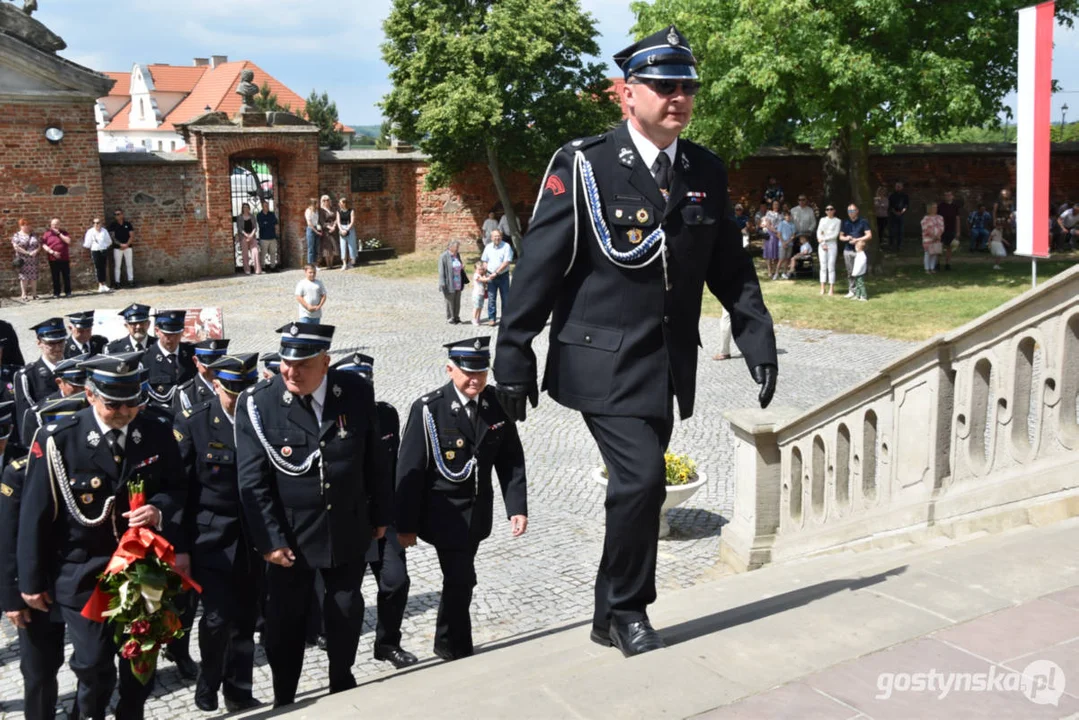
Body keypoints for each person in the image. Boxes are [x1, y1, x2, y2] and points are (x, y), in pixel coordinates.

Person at [492, 25, 777, 657]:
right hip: (601, 358)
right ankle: (627, 611)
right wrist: (512, 351)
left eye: (688, 86)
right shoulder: (585, 164)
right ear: (626, 93)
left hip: (666, 365)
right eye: (664, 85)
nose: (678, 96)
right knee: (643, 479)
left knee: (638, 486)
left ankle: (604, 612)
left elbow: (727, 262)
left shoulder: (703, 168)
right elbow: (539, 263)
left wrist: (757, 335)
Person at [17, 352, 189, 720]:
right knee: (93, 663)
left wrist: (158, 509)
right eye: (115, 403)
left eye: (133, 402)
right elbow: (34, 515)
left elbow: (177, 487)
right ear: (91, 394)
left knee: (141, 658)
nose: (126, 411)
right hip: (83, 570)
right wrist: (30, 582)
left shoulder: (155, 430)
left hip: (143, 567)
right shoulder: (58, 439)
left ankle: (131, 713)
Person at [235, 322, 392, 707]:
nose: (291, 371)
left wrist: (381, 514)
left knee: (345, 609)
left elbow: (375, 459)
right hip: (290, 538)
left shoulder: (354, 391)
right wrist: (270, 541)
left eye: (303, 363)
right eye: (287, 362)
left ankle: (342, 679)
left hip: (345, 526)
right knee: (285, 622)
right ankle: (284, 696)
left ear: (325, 362)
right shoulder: (259, 403)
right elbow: (252, 482)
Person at [397, 337, 527, 660]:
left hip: (477, 513)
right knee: (461, 577)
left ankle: (444, 638)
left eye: (482, 372)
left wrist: (517, 507)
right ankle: (458, 649)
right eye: (469, 372)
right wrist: (405, 525)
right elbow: (409, 471)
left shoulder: (495, 404)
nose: (476, 380)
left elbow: (510, 458)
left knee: (461, 579)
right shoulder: (429, 409)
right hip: (442, 515)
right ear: (450, 368)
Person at [173, 352, 262, 712]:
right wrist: (180, 548)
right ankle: (208, 681)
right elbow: (179, 492)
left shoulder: (261, 419)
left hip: (253, 537)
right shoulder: (194, 423)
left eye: (246, 390)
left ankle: (238, 691)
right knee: (216, 617)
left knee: (245, 618)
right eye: (231, 391)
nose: (239, 398)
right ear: (215, 385)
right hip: (210, 539)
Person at [329, 351, 418, 669]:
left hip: (384, 516)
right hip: (348, 520)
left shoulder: (386, 415)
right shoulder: (331, 420)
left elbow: (395, 467)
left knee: (396, 580)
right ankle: (340, 659)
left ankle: (387, 643)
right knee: (346, 595)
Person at [1, 396, 88, 720]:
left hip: (81, 580)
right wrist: (12, 599)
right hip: (36, 588)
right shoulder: (19, 473)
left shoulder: (93, 463)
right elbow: (9, 541)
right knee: (38, 671)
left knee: (91, 663)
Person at [13, 318, 67, 445]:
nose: (58, 348)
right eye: (51, 343)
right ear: (39, 342)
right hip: (45, 439)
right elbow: (25, 418)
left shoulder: (76, 368)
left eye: (61, 342)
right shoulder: (28, 376)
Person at [19, 355, 89, 446]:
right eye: (75, 385)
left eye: (84, 385)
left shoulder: (98, 404)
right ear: (60, 383)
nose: (81, 389)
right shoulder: (39, 413)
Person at [142, 310, 197, 415]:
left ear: (182, 332)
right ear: (157, 331)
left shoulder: (192, 353)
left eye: (176, 334)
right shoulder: (145, 359)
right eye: (166, 334)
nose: (171, 339)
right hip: (160, 417)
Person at [174, 339, 230, 413]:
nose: (213, 370)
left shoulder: (232, 386)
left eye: (218, 365)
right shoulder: (187, 393)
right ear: (196, 361)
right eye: (207, 366)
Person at [480, 229, 513, 325]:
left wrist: (496, 272)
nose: (497, 238)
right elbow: (485, 260)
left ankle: (505, 319)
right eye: (495, 236)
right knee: (491, 298)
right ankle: (492, 318)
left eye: (498, 236)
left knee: (506, 298)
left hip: (503, 276)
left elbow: (507, 262)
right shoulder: (488, 247)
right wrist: (485, 271)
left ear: (501, 237)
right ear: (491, 238)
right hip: (490, 276)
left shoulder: (506, 246)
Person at [840, 203, 872, 298]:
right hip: (848, 250)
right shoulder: (845, 222)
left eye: (853, 211)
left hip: (859, 250)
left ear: (857, 211)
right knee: (850, 272)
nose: (851, 213)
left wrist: (857, 240)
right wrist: (847, 238)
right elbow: (841, 237)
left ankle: (860, 292)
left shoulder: (863, 221)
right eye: (849, 211)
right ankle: (852, 290)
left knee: (859, 272)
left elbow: (869, 235)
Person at [40, 218, 73, 298]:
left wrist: (59, 234)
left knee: (66, 276)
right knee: (55, 276)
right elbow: (43, 245)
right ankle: (56, 293)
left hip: (64, 258)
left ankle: (68, 292)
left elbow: (68, 241)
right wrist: (52, 252)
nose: (55, 226)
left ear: (59, 225)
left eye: (56, 224)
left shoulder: (64, 232)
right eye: (53, 224)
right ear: (51, 225)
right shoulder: (47, 234)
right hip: (53, 258)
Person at [438, 240, 467, 324]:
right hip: (449, 282)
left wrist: (462, 267)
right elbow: (441, 270)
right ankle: (450, 318)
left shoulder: (457, 255)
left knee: (457, 301)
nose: (458, 248)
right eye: (456, 247)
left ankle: (457, 317)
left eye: (458, 247)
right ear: (450, 247)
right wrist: (442, 282)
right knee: (449, 301)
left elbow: (458, 264)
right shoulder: (443, 256)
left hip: (458, 281)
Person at [11, 218, 40, 301]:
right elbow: (16, 247)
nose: (26, 227)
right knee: (24, 277)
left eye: (28, 225)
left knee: (34, 277)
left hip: (33, 259)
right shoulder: (17, 235)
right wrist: (27, 253)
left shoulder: (34, 235)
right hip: (23, 259)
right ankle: (24, 295)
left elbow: (39, 245)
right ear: (20, 226)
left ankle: (34, 294)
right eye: (24, 225)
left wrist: (36, 251)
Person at [82, 217, 113, 293]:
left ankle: (104, 284)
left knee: (103, 266)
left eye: (98, 222)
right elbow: (87, 243)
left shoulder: (104, 231)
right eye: (95, 223)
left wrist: (103, 246)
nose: (96, 224)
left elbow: (109, 241)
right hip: (95, 250)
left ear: (101, 223)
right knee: (98, 267)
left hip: (103, 250)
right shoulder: (90, 232)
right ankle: (100, 284)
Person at [107, 209, 136, 289]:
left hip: (128, 247)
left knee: (129, 264)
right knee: (117, 265)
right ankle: (117, 282)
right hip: (117, 248)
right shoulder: (113, 225)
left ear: (122, 215)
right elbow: (112, 237)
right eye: (115, 214)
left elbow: (132, 235)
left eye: (118, 214)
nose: (117, 216)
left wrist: (127, 244)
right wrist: (120, 244)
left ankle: (131, 280)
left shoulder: (128, 224)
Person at [816, 204, 841, 296]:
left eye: (831, 209)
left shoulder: (837, 221)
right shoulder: (822, 220)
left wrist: (824, 239)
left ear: (834, 210)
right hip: (822, 244)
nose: (829, 211)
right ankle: (822, 287)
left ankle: (831, 288)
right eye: (827, 209)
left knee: (831, 266)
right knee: (823, 266)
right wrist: (822, 242)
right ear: (825, 211)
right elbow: (819, 231)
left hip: (832, 244)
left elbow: (835, 234)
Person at [937, 191, 960, 271]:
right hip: (941, 229)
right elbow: (937, 218)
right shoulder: (940, 206)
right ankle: (937, 263)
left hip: (951, 229)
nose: (947, 196)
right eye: (946, 195)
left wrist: (958, 231)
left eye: (949, 195)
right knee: (939, 246)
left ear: (952, 196)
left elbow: (957, 219)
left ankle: (947, 264)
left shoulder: (955, 206)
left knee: (949, 247)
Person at [237, 203, 261, 275]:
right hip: (244, 237)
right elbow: (239, 228)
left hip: (252, 236)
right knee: (245, 254)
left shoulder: (252, 216)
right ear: (242, 208)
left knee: (255, 252)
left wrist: (251, 235)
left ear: (249, 208)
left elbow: (255, 227)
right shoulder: (240, 217)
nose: (246, 208)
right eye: (244, 207)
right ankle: (247, 270)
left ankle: (257, 270)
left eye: (247, 207)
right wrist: (246, 235)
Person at [921, 202, 944, 274]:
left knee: (935, 253)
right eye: (934, 207)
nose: (935, 209)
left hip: (937, 238)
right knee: (928, 253)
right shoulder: (926, 218)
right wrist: (933, 236)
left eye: (936, 207)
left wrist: (938, 236)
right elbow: (925, 228)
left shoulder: (940, 217)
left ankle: (932, 268)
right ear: (929, 209)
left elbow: (942, 227)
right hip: (928, 238)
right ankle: (927, 269)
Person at [256, 199, 279, 271]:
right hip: (264, 237)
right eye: (265, 206)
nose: (267, 207)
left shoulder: (271, 214)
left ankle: (273, 267)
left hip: (272, 236)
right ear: (262, 207)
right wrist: (269, 224)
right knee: (263, 253)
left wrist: (267, 223)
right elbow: (261, 225)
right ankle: (263, 267)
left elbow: (275, 223)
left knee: (273, 252)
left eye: (267, 206)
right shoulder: (259, 215)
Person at [887, 181, 909, 252]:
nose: (898, 187)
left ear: (902, 187)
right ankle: (891, 245)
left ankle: (899, 245)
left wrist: (902, 212)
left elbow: (906, 205)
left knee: (900, 231)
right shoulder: (891, 195)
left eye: (899, 186)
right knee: (892, 230)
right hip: (892, 215)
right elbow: (889, 205)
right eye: (897, 186)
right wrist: (895, 212)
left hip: (901, 215)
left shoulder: (905, 195)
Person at [318, 195, 338, 269]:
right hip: (326, 230)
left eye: (327, 200)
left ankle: (332, 264)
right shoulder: (321, 210)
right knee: (327, 247)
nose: (326, 201)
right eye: (324, 200)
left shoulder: (333, 209)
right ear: (322, 201)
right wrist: (330, 227)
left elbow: (337, 218)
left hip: (334, 229)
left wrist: (334, 226)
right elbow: (322, 221)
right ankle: (328, 264)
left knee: (333, 246)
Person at [337, 197, 357, 269]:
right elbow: (338, 222)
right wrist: (341, 230)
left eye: (341, 203)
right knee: (343, 246)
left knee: (351, 246)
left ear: (344, 203)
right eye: (339, 203)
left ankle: (350, 262)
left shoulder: (351, 211)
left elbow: (352, 221)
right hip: (342, 228)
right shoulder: (338, 211)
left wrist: (347, 229)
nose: (339, 204)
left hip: (350, 228)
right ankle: (344, 263)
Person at [777, 210, 796, 279]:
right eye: (786, 216)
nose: (788, 217)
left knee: (787, 259)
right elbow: (779, 234)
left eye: (789, 215)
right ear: (784, 216)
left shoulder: (792, 224)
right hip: (781, 244)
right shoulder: (781, 224)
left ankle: (784, 273)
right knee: (781, 259)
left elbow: (793, 235)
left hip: (789, 244)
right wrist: (783, 242)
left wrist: (787, 242)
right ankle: (776, 273)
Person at [471, 260, 489, 326]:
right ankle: (473, 319)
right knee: (476, 307)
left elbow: (485, 282)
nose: (480, 271)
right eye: (479, 269)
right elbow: (482, 280)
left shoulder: (482, 275)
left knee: (480, 307)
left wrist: (485, 275)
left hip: (482, 293)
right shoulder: (476, 275)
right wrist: (490, 277)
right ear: (475, 269)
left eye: (481, 269)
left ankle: (478, 318)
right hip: (476, 294)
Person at [304, 198, 321, 266]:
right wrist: (316, 231)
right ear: (313, 204)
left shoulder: (316, 211)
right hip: (311, 229)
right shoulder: (308, 211)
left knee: (316, 247)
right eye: (317, 203)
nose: (318, 205)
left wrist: (318, 228)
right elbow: (309, 223)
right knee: (311, 248)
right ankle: (310, 264)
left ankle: (316, 264)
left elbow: (317, 221)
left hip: (316, 228)